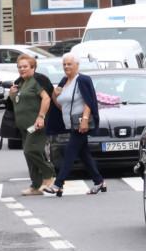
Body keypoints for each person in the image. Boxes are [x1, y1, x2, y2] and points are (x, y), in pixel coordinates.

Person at [43, 53, 105, 196]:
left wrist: (84, 119)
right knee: (83, 154)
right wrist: (54, 95)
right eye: (64, 64)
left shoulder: (82, 80)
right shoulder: (64, 81)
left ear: (77, 65)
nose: (66, 67)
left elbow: (88, 101)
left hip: (80, 124)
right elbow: (60, 106)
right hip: (70, 125)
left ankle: (58, 185)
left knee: (70, 153)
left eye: (69, 64)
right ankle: (99, 181)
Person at [9, 55, 56, 196]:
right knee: (29, 156)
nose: (22, 69)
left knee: (30, 151)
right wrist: (11, 94)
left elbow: (46, 97)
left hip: (37, 125)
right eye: (19, 67)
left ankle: (49, 174)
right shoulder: (21, 83)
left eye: (25, 66)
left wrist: (41, 117)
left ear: (33, 67)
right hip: (24, 127)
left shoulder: (37, 81)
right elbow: (17, 101)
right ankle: (35, 185)